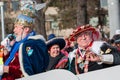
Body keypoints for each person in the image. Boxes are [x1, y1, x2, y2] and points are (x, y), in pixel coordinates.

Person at [1, 7, 49, 80]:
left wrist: (5, 69)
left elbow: (30, 71)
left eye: (16, 27)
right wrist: (6, 52)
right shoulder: (17, 43)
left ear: (26, 29)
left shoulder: (32, 44)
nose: (14, 30)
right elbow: (13, 62)